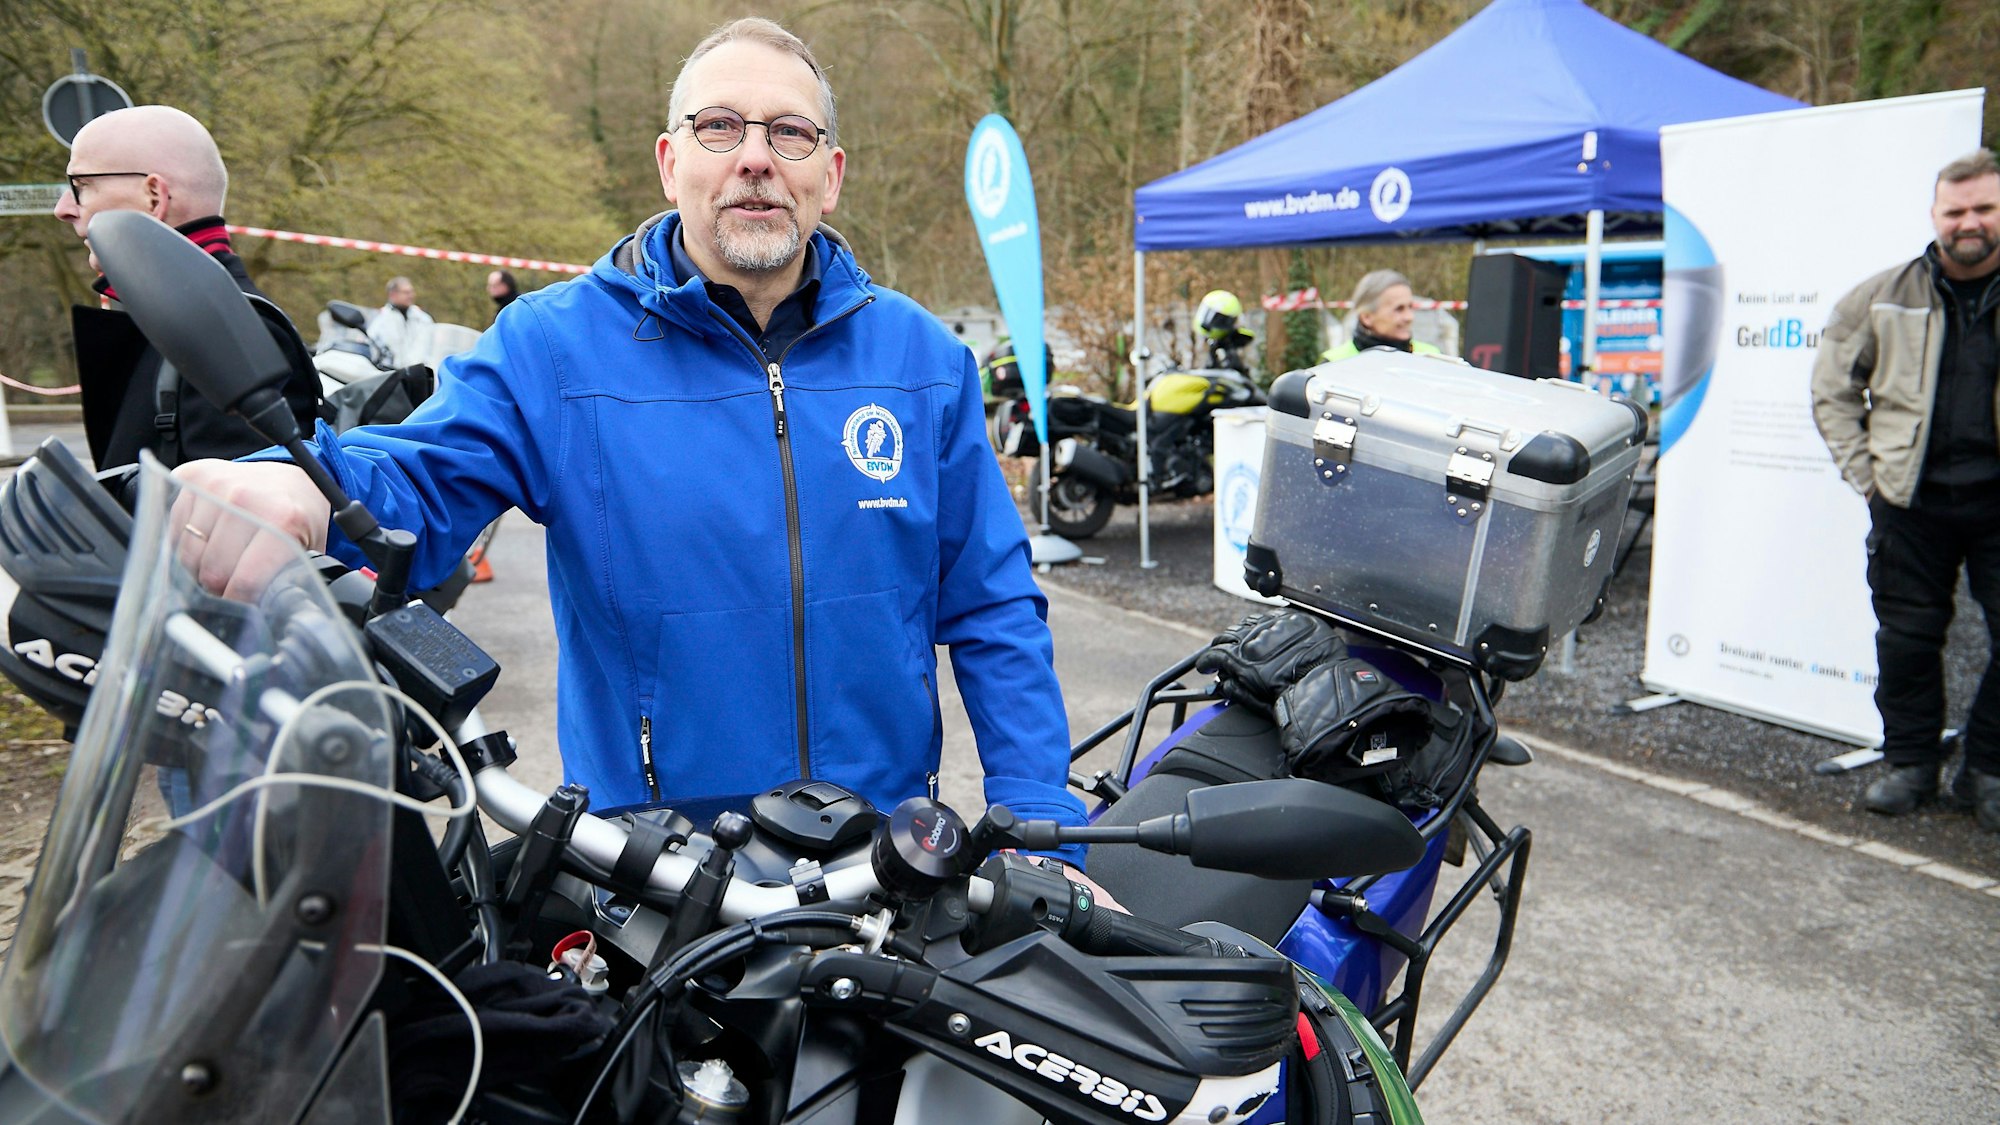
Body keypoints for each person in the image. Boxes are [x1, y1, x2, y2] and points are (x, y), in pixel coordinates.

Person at [172, 17, 1092, 868]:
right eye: (721, 128)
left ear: (832, 173)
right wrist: (300, 485)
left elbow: (994, 609)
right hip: (655, 879)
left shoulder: (923, 360)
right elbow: (417, 474)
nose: (757, 160)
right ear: (670, 162)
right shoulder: (555, 346)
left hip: (880, 872)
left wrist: (1042, 837)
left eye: (790, 134)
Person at [1812, 150, 2000, 832]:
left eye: (1984, 207)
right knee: (1908, 641)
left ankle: (1987, 767)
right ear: (1935, 217)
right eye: (1956, 211)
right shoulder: (1882, 295)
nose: (1970, 222)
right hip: (1910, 504)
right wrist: (1868, 478)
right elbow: (1831, 389)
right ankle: (1911, 763)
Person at [53, 105, 320, 471]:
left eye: (80, 186)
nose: (63, 209)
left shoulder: (224, 330)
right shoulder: (186, 316)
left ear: (153, 197)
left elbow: (231, 519)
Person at [1320, 270, 1442, 362]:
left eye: (1410, 307)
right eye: (1399, 309)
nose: (1409, 317)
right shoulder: (1333, 364)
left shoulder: (1431, 357)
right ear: (1366, 317)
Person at [369, 275, 435, 367]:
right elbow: (373, 346)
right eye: (406, 292)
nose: (411, 296)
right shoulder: (381, 319)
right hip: (389, 372)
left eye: (412, 292)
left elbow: (427, 348)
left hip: (418, 373)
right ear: (393, 294)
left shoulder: (422, 318)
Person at [1193, 289, 1255, 374]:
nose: (1210, 322)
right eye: (1208, 313)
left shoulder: (1231, 344)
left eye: (1218, 319)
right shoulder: (1193, 337)